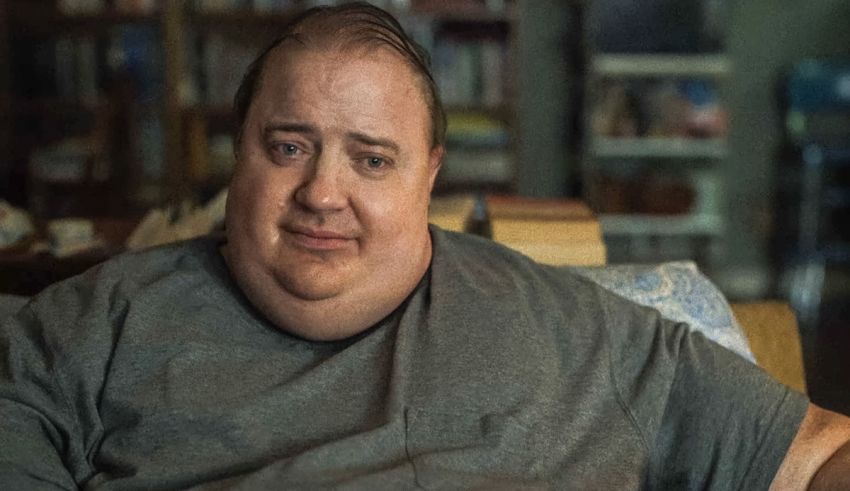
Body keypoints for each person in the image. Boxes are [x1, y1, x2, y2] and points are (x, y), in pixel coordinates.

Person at [1, 3, 849, 489]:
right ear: (238, 151)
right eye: (289, 146)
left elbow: (816, 452)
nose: (323, 192)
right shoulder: (89, 326)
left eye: (371, 159)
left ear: (428, 175)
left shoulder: (578, 330)